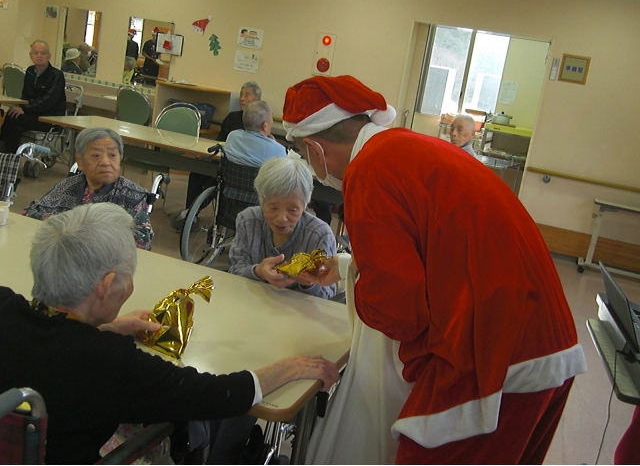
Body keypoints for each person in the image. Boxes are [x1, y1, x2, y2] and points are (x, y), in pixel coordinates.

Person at [283, 75, 588, 464]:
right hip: (546, 337)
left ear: (314, 148)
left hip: (497, 354)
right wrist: (346, 267)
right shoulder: (407, 148)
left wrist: (363, 286)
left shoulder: (369, 171)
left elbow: (399, 312)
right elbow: (434, 253)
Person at [0, 202, 339, 464]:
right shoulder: (108, 361)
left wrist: (107, 328)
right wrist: (287, 368)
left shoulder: (5, 304)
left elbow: (54, 340)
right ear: (106, 286)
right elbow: (213, 394)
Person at [22, 127, 154, 250]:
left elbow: (143, 239)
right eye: (96, 156)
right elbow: (29, 213)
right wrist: (55, 221)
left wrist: (83, 231)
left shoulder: (133, 195)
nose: (105, 162)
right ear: (80, 160)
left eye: (112, 155)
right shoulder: (67, 186)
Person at [229, 156, 337, 300]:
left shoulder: (320, 235)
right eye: (272, 208)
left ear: (305, 205)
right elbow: (234, 271)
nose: (281, 218)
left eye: (292, 210)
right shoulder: (248, 221)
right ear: (262, 201)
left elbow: (329, 294)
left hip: (298, 309)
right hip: (252, 301)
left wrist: (310, 283)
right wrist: (258, 271)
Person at [168, 82, 263, 230]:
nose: (242, 99)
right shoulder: (232, 117)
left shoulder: (260, 123)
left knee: (215, 182)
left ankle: (191, 212)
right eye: (241, 95)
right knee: (197, 173)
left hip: (241, 172)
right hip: (223, 161)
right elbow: (220, 140)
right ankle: (191, 215)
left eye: (247, 95)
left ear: (257, 100)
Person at [0, 40, 66, 155]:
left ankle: (10, 155)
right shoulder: (30, 71)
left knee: (16, 121)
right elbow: (25, 95)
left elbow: (48, 101)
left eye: (43, 53)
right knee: (11, 114)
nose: (39, 56)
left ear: (49, 56)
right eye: (35, 53)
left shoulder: (56, 75)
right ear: (31, 55)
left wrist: (25, 109)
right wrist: (21, 108)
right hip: (32, 114)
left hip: (49, 117)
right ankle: (4, 152)